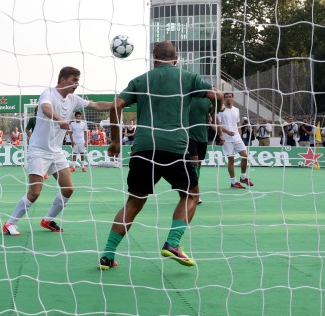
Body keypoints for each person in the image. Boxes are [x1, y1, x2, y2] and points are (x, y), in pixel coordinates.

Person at [99, 40, 222, 269]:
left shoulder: (141, 79)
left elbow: (116, 105)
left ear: (154, 59)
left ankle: (107, 255)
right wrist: (219, 108)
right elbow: (216, 95)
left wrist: (116, 140)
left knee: (134, 202)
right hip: (175, 148)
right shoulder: (188, 77)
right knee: (191, 196)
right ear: (176, 59)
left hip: (143, 148)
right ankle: (173, 243)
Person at [2, 66, 112, 236]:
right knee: (35, 192)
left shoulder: (73, 99)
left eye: (78, 81)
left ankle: (47, 220)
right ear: (62, 80)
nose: (77, 84)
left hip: (56, 152)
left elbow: (96, 105)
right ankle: (10, 223)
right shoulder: (48, 93)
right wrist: (60, 119)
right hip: (38, 150)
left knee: (68, 189)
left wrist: (118, 104)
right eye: (73, 80)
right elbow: (46, 109)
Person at [218, 92, 254, 189]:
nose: (228, 99)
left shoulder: (236, 110)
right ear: (224, 99)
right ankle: (233, 182)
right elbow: (218, 125)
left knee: (245, 157)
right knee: (231, 160)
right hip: (227, 139)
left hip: (237, 138)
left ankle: (243, 177)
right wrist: (227, 132)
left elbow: (238, 124)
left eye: (230, 97)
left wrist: (239, 133)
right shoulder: (220, 110)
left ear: (232, 98)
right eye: (226, 97)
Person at [188, 96, 213, 204]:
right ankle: (194, 193)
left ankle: (192, 188)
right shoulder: (187, 98)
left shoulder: (208, 100)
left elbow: (218, 110)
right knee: (195, 162)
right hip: (189, 135)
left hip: (203, 137)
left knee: (198, 165)